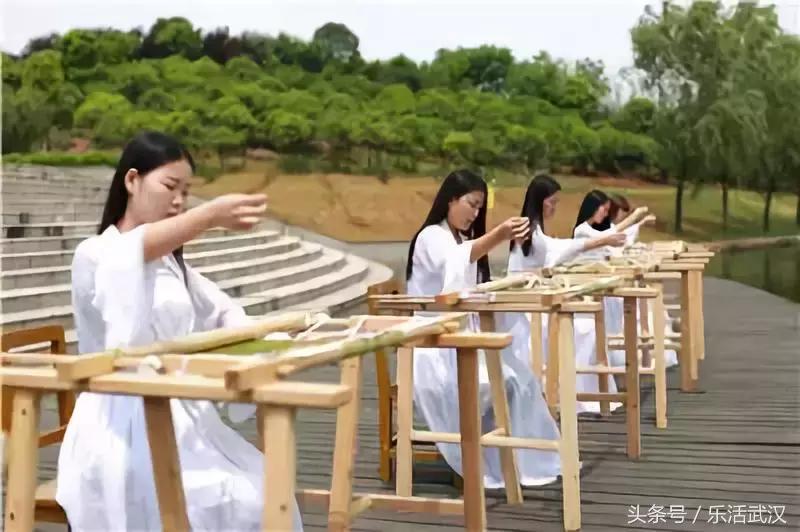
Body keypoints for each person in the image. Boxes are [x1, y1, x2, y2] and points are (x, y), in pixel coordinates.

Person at [56, 131, 303, 531]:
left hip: (180, 415)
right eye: (171, 186)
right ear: (132, 181)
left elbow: (223, 312)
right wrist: (207, 216)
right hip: (116, 422)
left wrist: (276, 342)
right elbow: (134, 252)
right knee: (216, 498)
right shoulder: (96, 253)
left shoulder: (172, 265)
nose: (178, 200)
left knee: (258, 490)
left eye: (187, 191)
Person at [406, 168, 562, 488]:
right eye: (471, 204)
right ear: (451, 199)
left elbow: (469, 279)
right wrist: (500, 235)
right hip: (433, 345)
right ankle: (491, 457)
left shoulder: (461, 239)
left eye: (479, 208)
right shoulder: (431, 237)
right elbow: (456, 263)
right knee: (498, 380)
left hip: (460, 337)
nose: (475, 213)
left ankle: (520, 459)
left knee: (521, 378)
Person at [498, 175, 626, 414]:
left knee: (585, 326)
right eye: (552, 202)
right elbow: (552, 254)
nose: (555, 207)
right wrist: (601, 241)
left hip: (534, 299)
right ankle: (570, 393)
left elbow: (556, 251)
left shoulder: (536, 231)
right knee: (584, 329)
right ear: (540, 200)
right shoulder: (529, 230)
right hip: (526, 307)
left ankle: (574, 391)